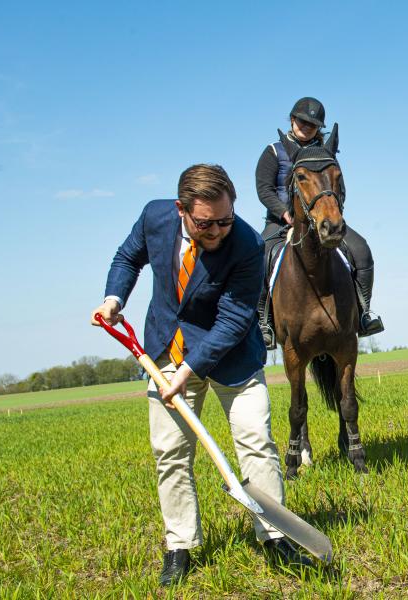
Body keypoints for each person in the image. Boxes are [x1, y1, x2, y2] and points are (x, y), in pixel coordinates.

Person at [90, 164, 311, 586]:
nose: (216, 232)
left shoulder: (246, 244)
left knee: (257, 442)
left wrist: (189, 370)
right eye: (205, 223)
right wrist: (114, 298)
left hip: (232, 357)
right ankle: (180, 546)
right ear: (180, 210)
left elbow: (231, 321)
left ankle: (274, 537)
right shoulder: (155, 216)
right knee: (170, 452)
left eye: (225, 220)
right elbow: (127, 257)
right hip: (166, 350)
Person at [254, 96, 383, 348]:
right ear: (292, 120)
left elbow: (338, 187)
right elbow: (264, 189)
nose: (306, 127)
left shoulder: (326, 152)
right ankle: (264, 322)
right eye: (302, 121)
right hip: (282, 222)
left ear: (318, 128)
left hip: (320, 217)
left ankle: (364, 312)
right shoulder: (273, 151)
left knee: (361, 250)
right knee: (260, 256)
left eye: (311, 124)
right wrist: (285, 213)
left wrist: (333, 212)